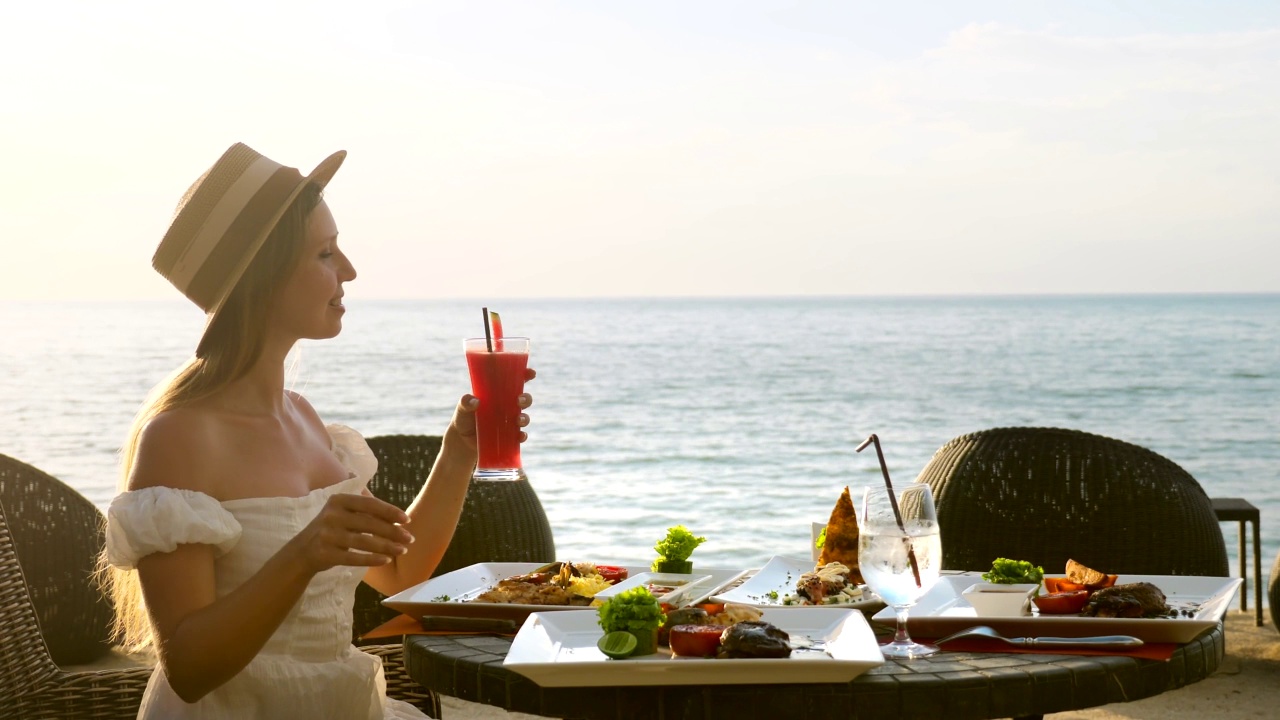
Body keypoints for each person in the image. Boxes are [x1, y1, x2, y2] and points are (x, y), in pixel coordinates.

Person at [98, 142, 534, 719]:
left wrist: (458, 452)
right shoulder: (181, 438)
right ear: (263, 277)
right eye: (326, 253)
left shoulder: (304, 420)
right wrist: (304, 552)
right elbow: (190, 667)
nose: (349, 270)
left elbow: (401, 570)